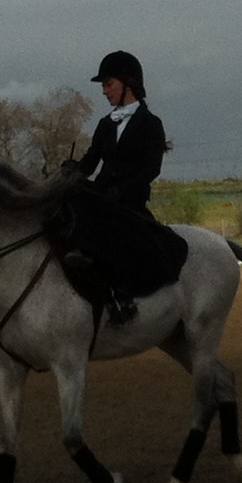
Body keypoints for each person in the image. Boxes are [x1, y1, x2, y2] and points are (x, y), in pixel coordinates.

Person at [64, 48, 182, 325]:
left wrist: (123, 190)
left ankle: (124, 297)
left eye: (109, 84)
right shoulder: (106, 124)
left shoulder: (150, 124)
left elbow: (151, 169)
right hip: (102, 194)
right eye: (104, 86)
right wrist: (73, 170)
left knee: (117, 234)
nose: (104, 91)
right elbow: (91, 161)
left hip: (130, 200)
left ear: (128, 84)